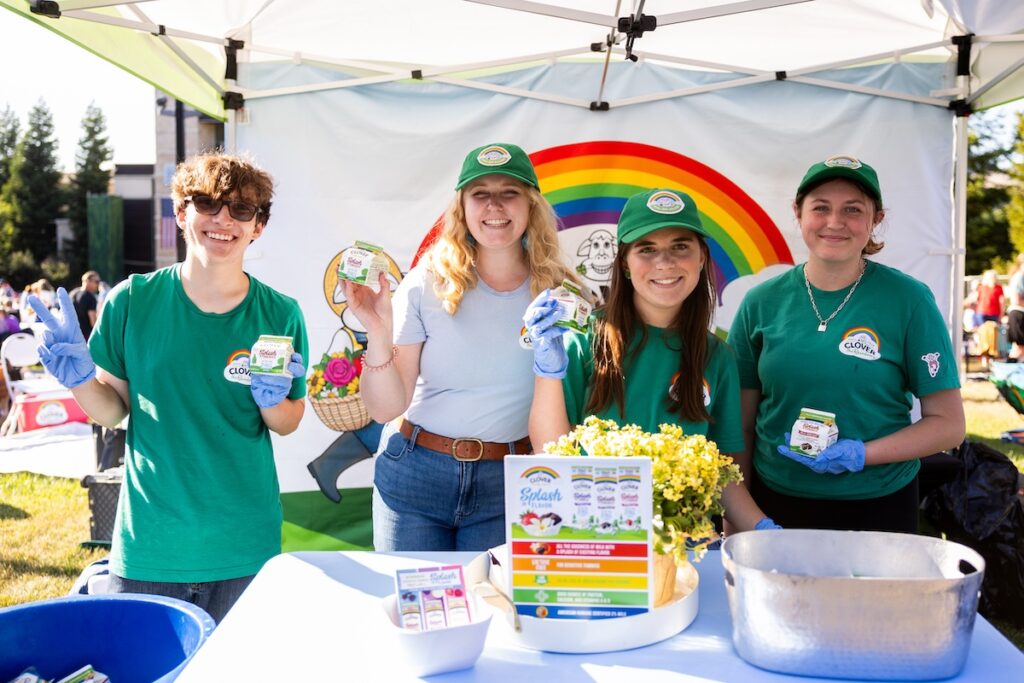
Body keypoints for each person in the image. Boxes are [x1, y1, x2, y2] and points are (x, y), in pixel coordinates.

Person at [28, 151, 308, 622]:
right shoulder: (133, 300)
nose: (224, 220)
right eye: (208, 204)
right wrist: (79, 382)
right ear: (181, 212)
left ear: (258, 226)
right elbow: (113, 412)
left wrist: (275, 400)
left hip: (244, 546)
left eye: (242, 210)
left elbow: (289, 422)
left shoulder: (280, 313)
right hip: (149, 544)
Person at [343, 142, 578, 551]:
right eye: (480, 193)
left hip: (506, 483)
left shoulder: (559, 294)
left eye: (509, 192)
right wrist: (377, 334)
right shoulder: (425, 282)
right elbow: (384, 409)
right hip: (415, 474)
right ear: (462, 207)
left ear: (531, 205)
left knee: (491, 611)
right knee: (413, 612)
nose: (495, 206)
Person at [728, 155, 965, 532]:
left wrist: (862, 454)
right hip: (778, 504)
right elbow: (738, 427)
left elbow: (949, 425)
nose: (834, 222)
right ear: (798, 213)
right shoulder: (761, 302)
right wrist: (740, 521)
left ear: (876, 219)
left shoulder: (909, 300)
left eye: (852, 210)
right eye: (820, 208)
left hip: (880, 505)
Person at [527, 188, 778, 533]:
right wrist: (548, 373)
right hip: (594, 535)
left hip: (684, 545)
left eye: (680, 246)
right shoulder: (583, 338)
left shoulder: (717, 357)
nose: (665, 262)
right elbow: (548, 450)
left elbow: (724, 473)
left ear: (702, 258)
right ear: (625, 265)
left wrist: (761, 527)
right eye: (647, 249)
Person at [69, 270, 101, 338]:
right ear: (88, 281)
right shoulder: (90, 297)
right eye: (97, 282)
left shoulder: (72, 293)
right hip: (85, 337)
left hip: (71, 334)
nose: (98, 285)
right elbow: (93, 322)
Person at [1006, 254, 1024, 360]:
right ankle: (1006, 373)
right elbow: (1016, 300)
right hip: (1017, 314)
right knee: (1018, 348)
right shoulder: (1018, 278)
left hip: (1019, 314)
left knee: (1019, 348)